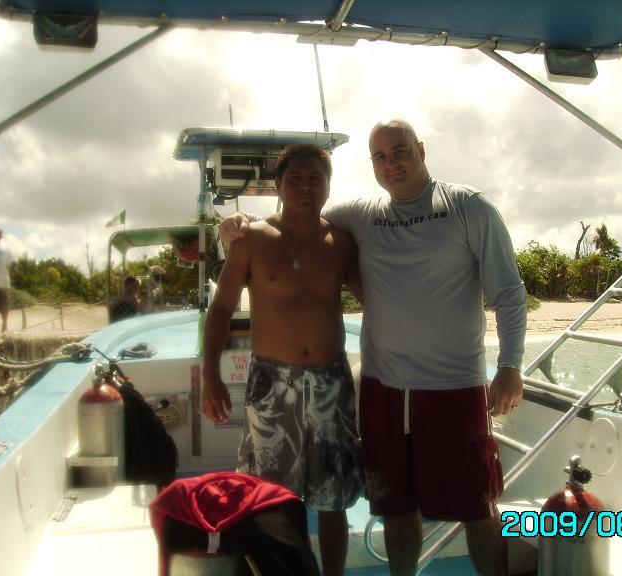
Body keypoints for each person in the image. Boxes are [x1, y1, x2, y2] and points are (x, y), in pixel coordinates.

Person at [221, 120, 527, 576]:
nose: (391, 163)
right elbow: (299, 215)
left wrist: (510, 366)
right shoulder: (361, 213)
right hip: (383, 389)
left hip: (454, 386)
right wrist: (237, 222)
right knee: (396, 504)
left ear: (420, 150)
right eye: (380, 157)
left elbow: (509, 294)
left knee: (476, 503)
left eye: (400, 151)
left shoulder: (469, 207)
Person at [202, 143, 363, 576]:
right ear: (279, 185)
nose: (305, 186)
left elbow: (378, 301)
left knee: (332, 499)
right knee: (272, 495)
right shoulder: (251, 239)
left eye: (315, 178)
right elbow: (220, 309)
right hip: (271, 385)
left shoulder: (342, 243)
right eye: (295, 178)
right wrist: (210, 377)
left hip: (331, 382)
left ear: (329, 186)